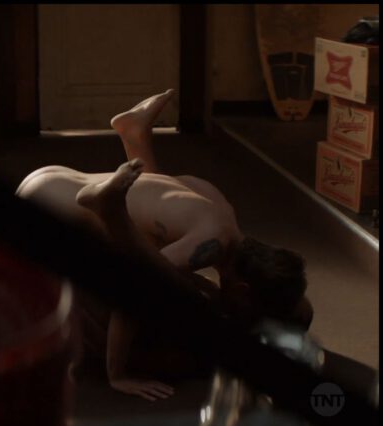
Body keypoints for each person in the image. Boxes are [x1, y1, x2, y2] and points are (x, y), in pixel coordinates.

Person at [16, 89, 313, 401]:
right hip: (44, 216)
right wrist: (118, 375)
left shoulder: (219, 208)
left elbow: (152, 192)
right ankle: (110, 206)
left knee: (161, 259)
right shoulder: (209, 244)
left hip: (51, 179)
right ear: (242, 289)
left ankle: (134, 136)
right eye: (245, 308)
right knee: (162, 286)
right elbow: (132, 293)